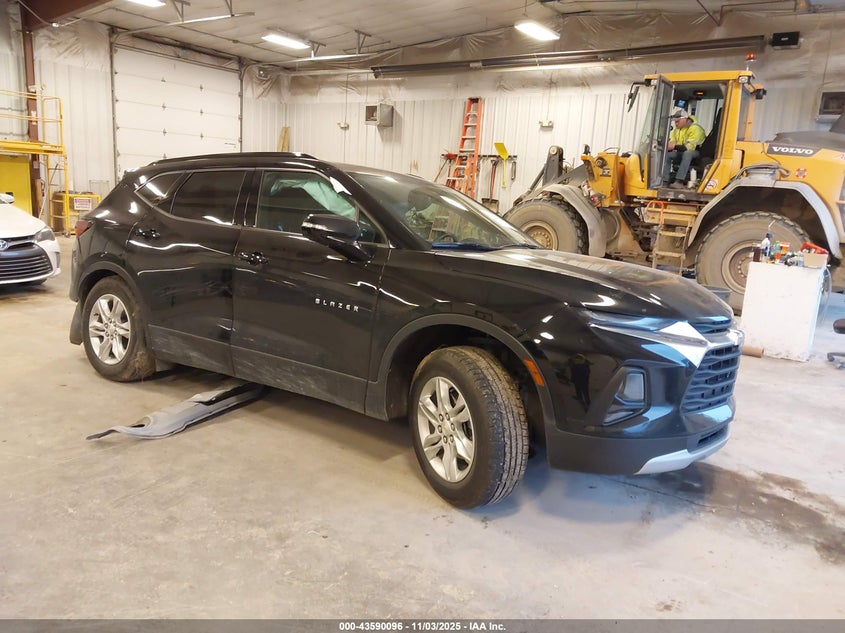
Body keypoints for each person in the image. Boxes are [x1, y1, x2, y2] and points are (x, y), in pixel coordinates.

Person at [663, 108, 706, 189]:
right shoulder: (677, 130)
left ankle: (679, 181)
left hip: (696, 153)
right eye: (675, 121)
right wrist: (668, 146)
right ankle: (665, 180)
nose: (676, 123)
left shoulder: (696, 129)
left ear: (685, 119)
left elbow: (690, 147)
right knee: (668, 155)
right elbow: (673, 142)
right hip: (682, 151)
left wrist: (674, 146)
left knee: (687, 153)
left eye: (677, 121)